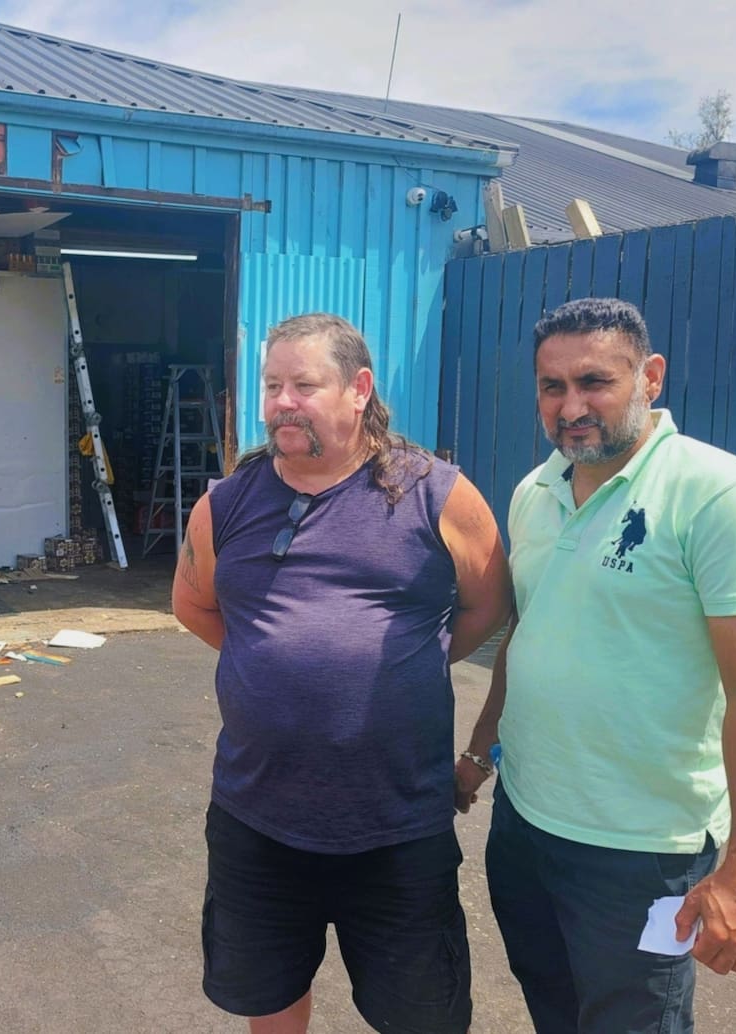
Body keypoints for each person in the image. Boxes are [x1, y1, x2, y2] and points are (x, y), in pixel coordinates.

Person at [455, 297, 736, 1034]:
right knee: (554, 1005)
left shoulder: (717, 495)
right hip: (527, 825)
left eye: (594, 381)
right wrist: (479, 754)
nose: (571, 406)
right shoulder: (534, 490)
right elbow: (527, 636)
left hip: (643, 851)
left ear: (651, 378)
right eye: (551, 387)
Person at [172, 312, 511, 1033]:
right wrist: (270, 656)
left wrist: (406, 662)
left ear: (358, 390)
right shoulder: (226, 503)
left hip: (395, 826)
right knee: (268, 1002)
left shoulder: (434, 493)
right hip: (256, 817)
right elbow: (194, 605)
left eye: (304, 384)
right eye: (272, 385)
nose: (282, 402)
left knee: (420, 1015)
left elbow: (488, 605)